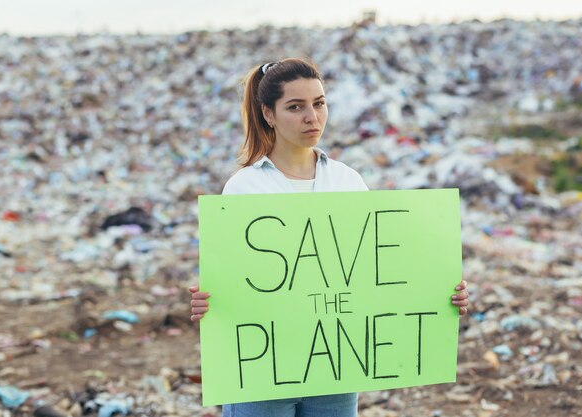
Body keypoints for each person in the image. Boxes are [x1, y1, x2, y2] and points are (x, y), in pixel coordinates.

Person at [189, 58, 470, 417]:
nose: (312, 117)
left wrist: (441, 292)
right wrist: (208, 304)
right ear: (268, 114)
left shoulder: (346, 181)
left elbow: (378, 269)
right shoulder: (245, 187)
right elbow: (234, 282)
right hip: (263, 371)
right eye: (296, 107)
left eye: (319, 103)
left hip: (334, 370)